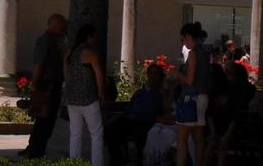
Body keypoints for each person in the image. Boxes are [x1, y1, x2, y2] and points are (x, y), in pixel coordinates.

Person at [21, 13, 67, 159]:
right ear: (54, 25)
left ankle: (35, 148)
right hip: (47, 85)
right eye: (61, 25)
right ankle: (35, 150)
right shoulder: (45, 41)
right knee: (44, 119)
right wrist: (34, 85)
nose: (63, 29)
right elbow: (39, 64)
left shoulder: (56, 41)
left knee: (46, 120)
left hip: (52, 84)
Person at [63, 23, 107, 166]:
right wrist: (101, 92)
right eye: (93, 36)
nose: (94, 39)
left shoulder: (70, 53)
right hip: (88, 98)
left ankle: (74, 162)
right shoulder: (90, 53)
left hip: (71, 98)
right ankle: (97, 163)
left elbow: (66, 74)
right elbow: (99, 75)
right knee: (96, 134)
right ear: (89, 36)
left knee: (75, 134)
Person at [107, 63, 168, 165]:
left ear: (160, 76)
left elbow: (166, 111)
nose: (153, 76)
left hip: (146, 121)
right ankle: (118, 160)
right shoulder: (139, 92)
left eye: (156, 74)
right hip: (131, 119)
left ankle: (139, 160)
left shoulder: (161, 94)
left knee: (140, 134)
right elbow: (129, 107)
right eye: (151, 73)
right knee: (111, 129)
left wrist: (166, 91)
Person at [175, 21, 211, 166]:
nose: (183, 42)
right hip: (203, 97)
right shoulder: (205, 52)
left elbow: (189, 80)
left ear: (189, 37)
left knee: (182, 138)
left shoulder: (193, 54)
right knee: (199, 138)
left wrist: (176, 73)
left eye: (184, 39)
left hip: (191, 98)